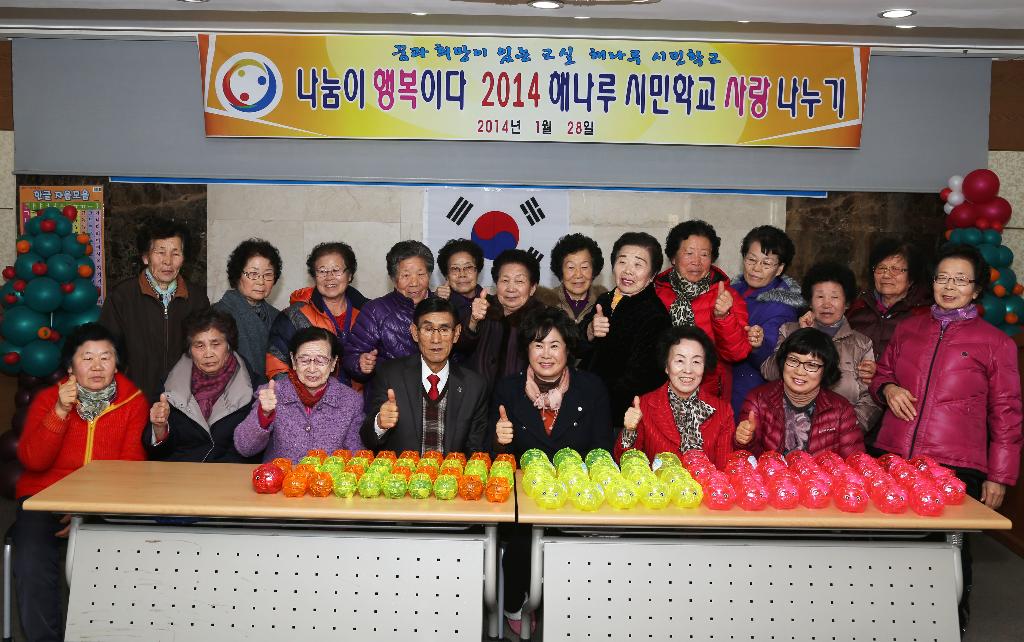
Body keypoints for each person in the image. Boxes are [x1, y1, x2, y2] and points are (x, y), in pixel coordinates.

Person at [870, 244, 1022, 632]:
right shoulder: (909, 328)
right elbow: (882, 374)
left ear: (976, 289)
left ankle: (951, 623)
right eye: (943, 278)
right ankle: (887, 621)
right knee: (889, 544)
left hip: (955, 462)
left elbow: (1006, 413)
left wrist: (999, 475)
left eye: (960, 280)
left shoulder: (997, 343)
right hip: (895, 453)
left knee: (946, 549)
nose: (950, 287)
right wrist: (888, 389)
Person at [13, 323, 148, 641]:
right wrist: (60, 411)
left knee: (121, 555)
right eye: (87, 358)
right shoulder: (49, 399)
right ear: (70, 366)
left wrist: (83, 510)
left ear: (117, 364)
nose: (97, 366)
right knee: (31, 555)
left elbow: (130, 469)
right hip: (45, 496)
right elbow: (33, 461)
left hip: (106, 499)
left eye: (106, 357)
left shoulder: (134, 402)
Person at [492, 307, 613, 635]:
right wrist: (500, 441)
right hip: (526, 502)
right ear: (526, 350)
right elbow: (496, 458)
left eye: (554, 345)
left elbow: (602, 449)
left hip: (577, 500)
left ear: (568, 349)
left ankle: (570, 608)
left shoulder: (591, 388)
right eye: (538, 345)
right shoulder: (508, 390)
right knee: (521, 544)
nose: (546, 354)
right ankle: (516, 602)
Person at [761, 261, 881, 432]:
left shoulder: (862, 344)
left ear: (847, 303)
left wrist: (846, 428)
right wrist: (802, 335)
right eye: (820, 297)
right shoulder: (789, 330)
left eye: (834, 297)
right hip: (789, 428)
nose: (827, 304)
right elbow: (770, 373)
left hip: (840, 433)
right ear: (810, 301)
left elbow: (870, 398)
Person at [100, 218, 209, 403]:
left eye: (176, 253)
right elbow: (106, 351)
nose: (168, 261)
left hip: (184, 401)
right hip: (133, 399)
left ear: (183, 258)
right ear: (145, 257)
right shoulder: (122, 297)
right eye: (160, 252)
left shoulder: (197, 299)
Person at [359, 298, 488, 454]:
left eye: (444, 329)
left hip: (452, 469)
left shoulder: (474, 385)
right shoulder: (390, 374)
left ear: (456, 333)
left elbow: (475, 449)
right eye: (428, 329)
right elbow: (367, 439)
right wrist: (379, 424)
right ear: (415, 332)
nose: (436, 339)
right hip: (402, 469)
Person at [653, 219, 750, 400]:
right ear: (673, 258)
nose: (696, 261)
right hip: (660, 392)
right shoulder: (656, 294)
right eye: (689, 253)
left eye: (704, 254)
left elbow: (737, 353)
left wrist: (723, 317)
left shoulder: (726, 296)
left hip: (709, 394)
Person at [236, 327, 364, 462]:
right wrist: (263, 415)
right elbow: (245, 448)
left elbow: (357, 457)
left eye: (321, 360)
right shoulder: (272, 393)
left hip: (328, 475)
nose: (312, 369)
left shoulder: (351, 401)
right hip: (281, 475)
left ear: (333, 363)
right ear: (293, 361)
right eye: (304, 360)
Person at [143, 308, 256, 463]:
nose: (208, 354)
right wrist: (159, 428)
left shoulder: (253, 387)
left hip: (229, 473)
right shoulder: (169, 384)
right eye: (199, 346)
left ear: (229, 345)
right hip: (181, 472)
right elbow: (157, 453)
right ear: (189, 350)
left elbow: (254, 450)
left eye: (216, 344)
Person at [581, 232, 672, 423]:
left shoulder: (656, 316)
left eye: (638, 264)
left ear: (652, 275)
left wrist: (595, 401)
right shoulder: (605, 299)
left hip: (621, 417)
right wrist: (589, 330)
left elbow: (641, 379)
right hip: (587, 406)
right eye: (622, 262)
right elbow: (575, 346)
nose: (628, 271)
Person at [615, 326, 734, 469]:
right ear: (666, 366)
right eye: (680, 361)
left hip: (706, 484)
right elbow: (626, 463)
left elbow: (725, 470)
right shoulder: (644, 406)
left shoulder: (722, 411)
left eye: (696, 362)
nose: (688, 370)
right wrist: (629, 431)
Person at [737, 328, 864, 458]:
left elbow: (855, 461)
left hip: (822, 472)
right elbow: (746, 459)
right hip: (770, 471)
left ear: (825, 370)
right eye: (793, 360)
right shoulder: (758, 399)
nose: (799, 372)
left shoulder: (841, 409)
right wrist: (745, 441)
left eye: (811, 365)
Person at [729, 225, 803, 418]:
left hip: (751, 392)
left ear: (780, 269)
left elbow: (772, 360)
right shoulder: (733, 290)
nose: (756, 268)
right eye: (751, 259)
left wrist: (758, 345)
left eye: (766, 263)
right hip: (724, 383)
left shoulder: (782, 307)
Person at [266, 242, 367, 383]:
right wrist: (301, 394)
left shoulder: (369, 313)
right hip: (307, 395)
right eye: (322, 271)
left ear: (349, 275)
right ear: (314, 276)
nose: (329, 277)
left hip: (359, 396)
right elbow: (277, 366)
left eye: (336, 270)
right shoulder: (294, 316)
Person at [458, 248, 548, 398]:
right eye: (505, 280)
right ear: (496, 283)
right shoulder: (482, 309)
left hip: (523, 401)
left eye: (519, 281)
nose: (511, 288)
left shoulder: (543, 320)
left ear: (532, 288)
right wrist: (473, 321)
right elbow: (458, 348)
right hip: (476, 402)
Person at [344, 240, 434, 384]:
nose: (414, 283)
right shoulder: (376, 310)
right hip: (389, 392)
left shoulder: (443, 308)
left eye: (421, 274)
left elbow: (458, 358)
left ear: (429, 275)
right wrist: (361, 364)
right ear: (393, 279)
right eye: (406, 275)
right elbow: (351, 355)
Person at [847, 238, 931, 363]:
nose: (886, 275)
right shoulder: (858, 308)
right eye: (881, 268)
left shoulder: (923, 316)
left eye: (895, 269)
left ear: (911, 278)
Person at [213, 238, 283, 385]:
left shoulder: (278, 316)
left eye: (268, 275)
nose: (261, 282)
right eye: (253, 274)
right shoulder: (216, 314)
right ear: (238, 275)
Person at [535, 233, 606, 323]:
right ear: (561, 271)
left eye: (584, 267)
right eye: (571, 267)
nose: (578, 275)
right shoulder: (545, 304)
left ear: (593, 270)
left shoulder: (606, 302)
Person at [433, 238, 485, 329]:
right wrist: (437, 303)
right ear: (446, 275)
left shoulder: (492, 304)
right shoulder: (437, 302)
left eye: (468, 267)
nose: (462, 274)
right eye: (455, 269)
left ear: (477, 272)